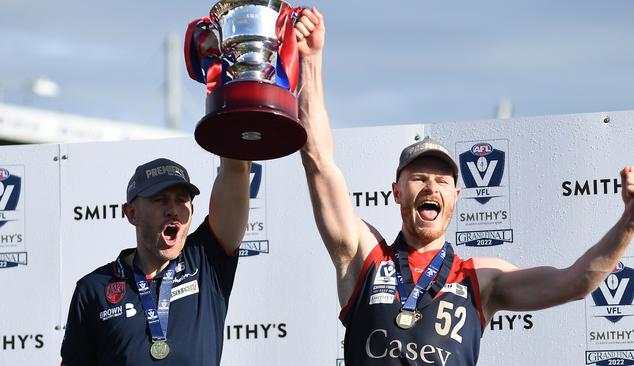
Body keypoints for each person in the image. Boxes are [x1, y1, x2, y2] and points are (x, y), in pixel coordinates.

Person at [294, 8, 634, 365]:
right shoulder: (366, 256)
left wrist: (628, 222)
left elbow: (575, 282)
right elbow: (318, 160)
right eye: (419, 178)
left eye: (442, 180)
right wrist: (311, 61)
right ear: (396, 192)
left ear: (455, 197)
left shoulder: (479, 277)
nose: (431, 187)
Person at [60, 157, 250, 365]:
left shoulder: (206, 260)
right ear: (132, 213)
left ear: (192, 211)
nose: (173, 210)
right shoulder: (94, 289)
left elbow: (235, 169)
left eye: (181, 199)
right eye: (160, 199)